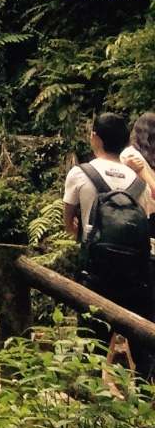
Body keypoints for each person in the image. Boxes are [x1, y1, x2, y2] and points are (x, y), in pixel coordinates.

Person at [63, 110, 155, 377]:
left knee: (91, 344)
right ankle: (141, 408)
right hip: (135, 275)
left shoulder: (80, 173)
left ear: (95, 138)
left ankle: (90, 407)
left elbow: (70, 227)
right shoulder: (140, 181)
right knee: (142, 347)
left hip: (95, 272)